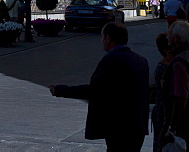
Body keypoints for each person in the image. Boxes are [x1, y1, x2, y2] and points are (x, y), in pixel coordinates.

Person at [49, 22, 149, 151]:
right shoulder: (140, 60)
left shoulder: (111, 60)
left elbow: (95, 90)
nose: (101, 41)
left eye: (102, 37)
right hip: (137, 125)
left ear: (108, 38)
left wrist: (61, 90)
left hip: (119, 126)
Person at [159, 21, 189, 151]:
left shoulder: (180, 61)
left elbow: (180, 96)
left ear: (176, 38)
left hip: (186, 126)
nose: (167, 39)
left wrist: (172, 127)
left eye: (170, 35)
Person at [150, 33, 173, 152]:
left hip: (161, 110)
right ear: (166, 50)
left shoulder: (165, 65)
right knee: (162, 143)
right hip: (163, 111)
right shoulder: (165, 67)